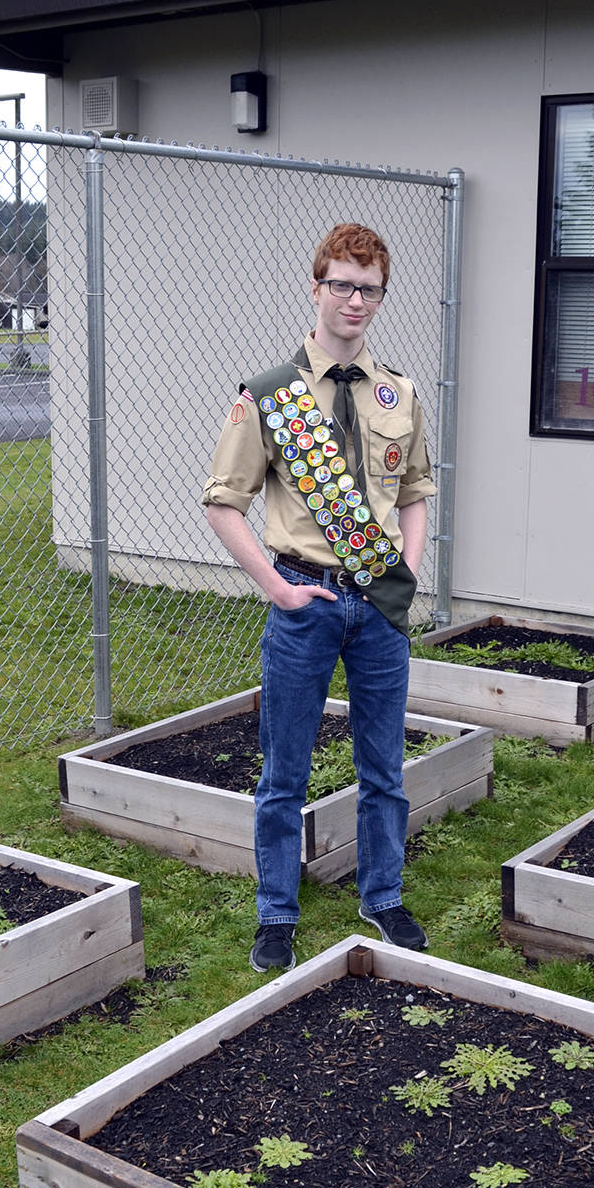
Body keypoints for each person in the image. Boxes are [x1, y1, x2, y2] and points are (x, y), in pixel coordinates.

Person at [203, 223, 436, 973]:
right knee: (284, 773)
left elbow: (415, 492)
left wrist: (406, 570)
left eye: (369, 289)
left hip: (380, 607)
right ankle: (276, 913)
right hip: (305, 602)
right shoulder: (272, 396)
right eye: (342, 284)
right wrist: (276, 588)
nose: (355, 300)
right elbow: (223, 503)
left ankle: (384, 895)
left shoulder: (401, 393)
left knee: (384, 768)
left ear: (380, 296)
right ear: (317, 287)